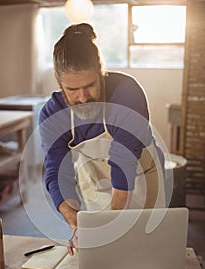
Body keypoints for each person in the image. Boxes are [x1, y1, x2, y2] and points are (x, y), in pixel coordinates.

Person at [39, 23, 166, 255]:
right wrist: (77, 225)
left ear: (102, 74)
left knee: (144, 252)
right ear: (59, 84)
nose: (84, 97)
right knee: (104, 256)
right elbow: (56, 172)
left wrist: (112, 229)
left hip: (141, 179)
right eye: (73, 89)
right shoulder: (52, 115)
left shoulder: (127, 94)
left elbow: (123, 162)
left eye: (90, 86)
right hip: (96, 184)